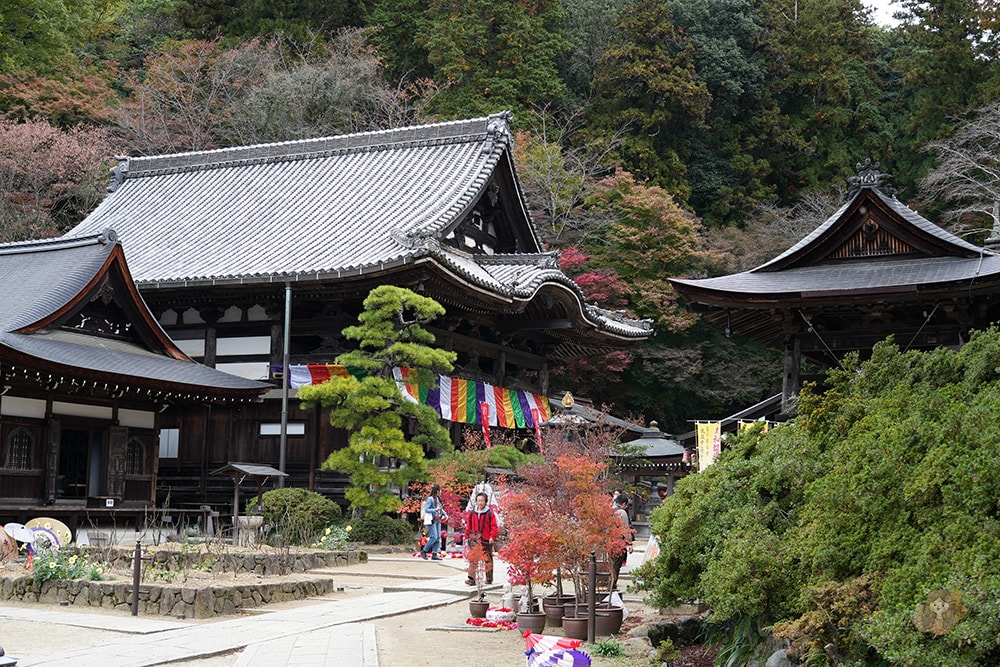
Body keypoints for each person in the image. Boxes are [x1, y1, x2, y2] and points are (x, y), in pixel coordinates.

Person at [464, 491, 499, 586]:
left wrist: (492, 537)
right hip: (475, 538)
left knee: (488, 559)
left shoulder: (489, 513)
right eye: (478, 500)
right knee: (473, 559)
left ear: (485, 502)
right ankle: (471, 578)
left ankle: (489, 578)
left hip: (486, 539)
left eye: (482, 501)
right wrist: (467, 536)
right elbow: (468, 526)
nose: (480, 503)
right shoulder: (473, 513)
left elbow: (494, 526)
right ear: (476, 501)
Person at [609, 493, 633, 590]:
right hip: (618, 542)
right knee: (616, 565)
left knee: (609, 564)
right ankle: (612, 585)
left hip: (608, 542)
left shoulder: (609, 511)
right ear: (623, 504)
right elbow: (625, 529)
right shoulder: (622, 513)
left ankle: (608, 583)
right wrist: (629, 543)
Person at [420, 484, 445, 560]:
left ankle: (434, 553)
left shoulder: (438, 499)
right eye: (440, 490)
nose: (441, 492)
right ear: (437, 491)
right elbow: (427, 509)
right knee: (433, 537)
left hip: (438, 519)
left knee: (438, 538)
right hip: (431, 520)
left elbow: (440, 509)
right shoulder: (430, 499)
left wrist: (445, 514)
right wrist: (435, 510)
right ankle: (424, 550)